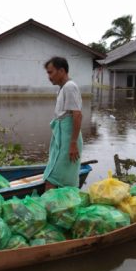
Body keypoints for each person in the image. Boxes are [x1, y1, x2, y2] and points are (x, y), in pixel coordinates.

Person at [43, 56, 83, 190]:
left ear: (61, 71)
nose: (49, 76)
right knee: (54, 176)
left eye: (50, 72)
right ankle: (58, 208)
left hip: (68, 141)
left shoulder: (70, 87)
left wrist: (73, 144)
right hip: (62, 140)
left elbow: (77, 115)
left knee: (53, 179)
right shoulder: (62, 88)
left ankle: (53, 208)